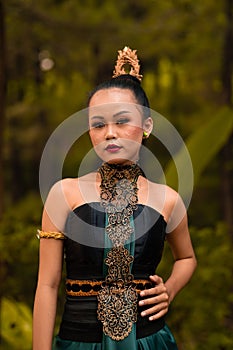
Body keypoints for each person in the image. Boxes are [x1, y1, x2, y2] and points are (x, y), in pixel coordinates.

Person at [33, 47, 197, 350]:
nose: (110, 133)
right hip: (80, 342)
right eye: (98, 124)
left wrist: (170, 290)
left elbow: (187, 258)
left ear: (147, 126)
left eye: (122, 121)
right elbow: (47, 284)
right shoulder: (64, 194)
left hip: (151, 342)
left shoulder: (168, 200)